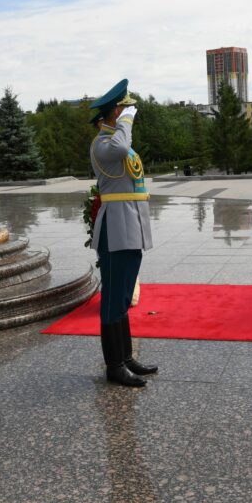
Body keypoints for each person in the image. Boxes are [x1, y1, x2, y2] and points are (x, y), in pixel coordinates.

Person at [88, 79, 157, 386]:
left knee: (124, 293)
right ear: (113, 112)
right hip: (115, 227)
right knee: (113, 297)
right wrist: (124, 123)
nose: (131, 112)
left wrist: (122, 121)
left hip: (130, 223)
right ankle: (114, 365)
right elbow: (121, 146)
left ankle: (126, 357)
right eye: (125, 108)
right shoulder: (103, 144)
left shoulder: (116, 142)